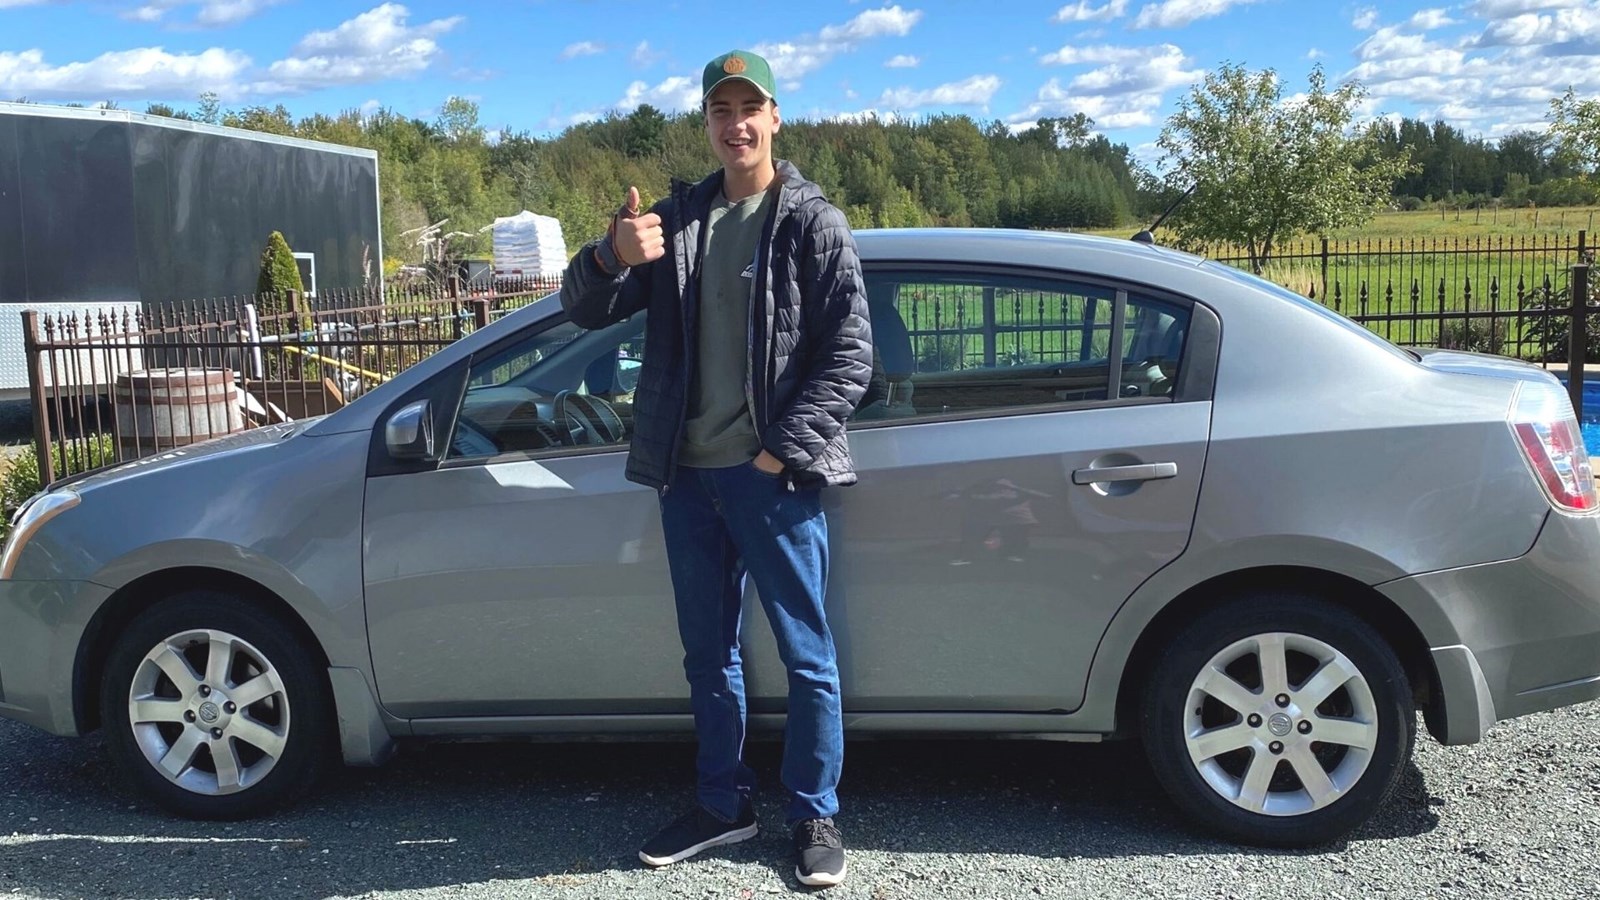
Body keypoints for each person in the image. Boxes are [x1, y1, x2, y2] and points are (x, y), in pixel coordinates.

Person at [559, 49, 873, 888]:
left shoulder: (812, 221)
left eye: (749, 107)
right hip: (687, 479)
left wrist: (779, 451)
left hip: (773, 479)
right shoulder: (677, 221)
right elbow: (582, 308)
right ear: (707, 122)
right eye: (719, 109)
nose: (735, 123)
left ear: (775, 118)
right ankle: (722, 804)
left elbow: (850, 356)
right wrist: (610, 254)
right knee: (709, 655)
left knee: (808, 655)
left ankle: (814, 814)